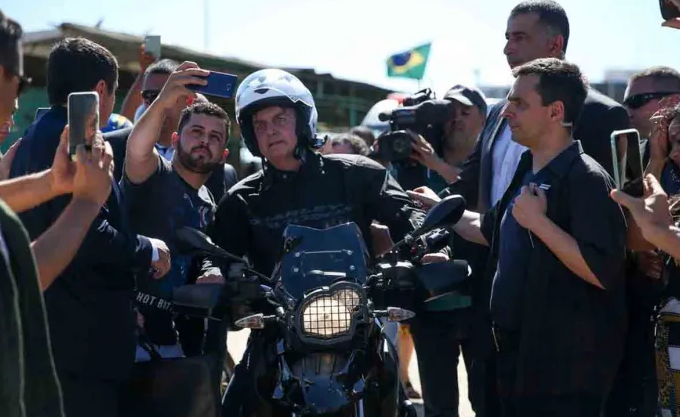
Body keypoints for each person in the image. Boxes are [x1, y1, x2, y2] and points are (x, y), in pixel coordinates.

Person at [197, 68, 447, 415]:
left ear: (302, 120)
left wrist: (431, 248)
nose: (270, 130)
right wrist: (212, 272)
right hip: (278, 329)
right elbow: (218, 252)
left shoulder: (356, 173)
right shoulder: (242, 199)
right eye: (260, 124)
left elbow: (408, 215)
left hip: (357, 322)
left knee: (395, 398)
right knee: (235, 405)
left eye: (280, 119)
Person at [412, 58, 627, 417]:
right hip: (512, 359)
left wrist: (540, 223)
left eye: (520, 104)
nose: (507, 111)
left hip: (561, 375)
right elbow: (489, 229)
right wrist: (440, 209)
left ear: (556, 112)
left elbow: (603, 270)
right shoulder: (527, 170)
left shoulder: (586, 178)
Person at [9, 37, 172, 417]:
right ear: (100, 91)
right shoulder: (76, 144)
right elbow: (88, 234)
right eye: (114, 94)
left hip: (52, 336)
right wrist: (147, 250)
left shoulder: (34, 135)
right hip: (83, 346)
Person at [122, 61, 231, 360]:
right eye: (196, 131)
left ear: (223, 155)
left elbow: (201, 257)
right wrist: (164, 99)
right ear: (174, 139)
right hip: (128, 336)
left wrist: (211, 271)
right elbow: (137, 149)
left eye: (214, 137)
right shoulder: (155, 173)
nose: (204, 141)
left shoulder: (209, 202)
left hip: (173, 344)